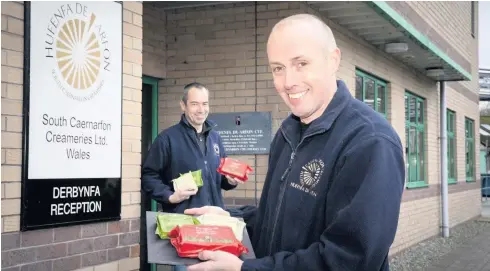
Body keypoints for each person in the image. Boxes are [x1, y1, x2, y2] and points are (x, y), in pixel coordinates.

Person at [184, 13, 405, 271]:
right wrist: (232, 220)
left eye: (301, 63)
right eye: (278, 68)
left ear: (333, 60)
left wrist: (244, 269)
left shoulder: (370, 141)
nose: (288, 82)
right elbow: (279, 219)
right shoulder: (287, 134)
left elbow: (348, 260)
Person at [141, 83, 243, 271]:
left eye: (205, 104)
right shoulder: (167, 139)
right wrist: (170, 195)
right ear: (183, 105)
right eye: (195, 104)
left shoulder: (215, 138)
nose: (201, 109)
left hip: (215, 227)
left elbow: (218, 176)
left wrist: (229, 181)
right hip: (185, 228)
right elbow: (148, 176)